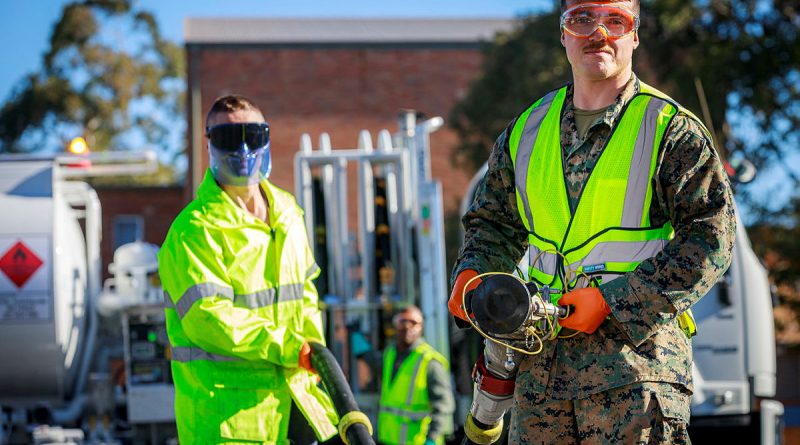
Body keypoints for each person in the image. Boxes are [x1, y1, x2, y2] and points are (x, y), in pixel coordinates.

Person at [447, 0, 736, 443]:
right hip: (540, 380)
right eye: (581, 19)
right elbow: (492, 225)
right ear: (563, 34)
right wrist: (474, 275)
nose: (598, 33)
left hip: (634, 376)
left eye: (614, 20)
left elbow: (711, 238)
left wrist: (613, 301)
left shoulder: (671, 130)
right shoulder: (525, 131)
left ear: (634, 35)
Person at [158, 94, 338, 444]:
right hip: (228, 419)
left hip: (298, 401)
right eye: (228, 138)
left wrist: (313, 346)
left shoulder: (288, 212)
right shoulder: (194, 229)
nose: (242, 149)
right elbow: (207, 319)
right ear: (209, 144)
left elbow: (306, 290)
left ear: (267, 139)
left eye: (253, 135)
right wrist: (289, 346)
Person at [377, 305, 455, 445]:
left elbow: (444, 406)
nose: (408, 326)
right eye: (403, 321)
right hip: (388, 439)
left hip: (418, 441)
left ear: (422, 327)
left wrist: (431, 438)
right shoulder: (390, 354)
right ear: (394, 325)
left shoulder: (430, 362)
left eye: (414, 323)